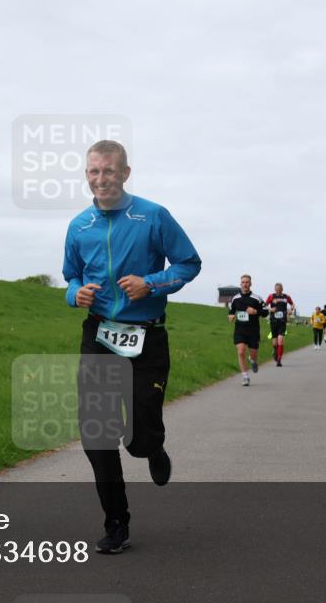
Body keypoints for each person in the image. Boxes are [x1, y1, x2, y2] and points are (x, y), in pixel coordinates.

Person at [63, 140, 201, 554]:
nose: (100, 179)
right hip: (100, 335)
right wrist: (76, 295)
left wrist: (152, 283)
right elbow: (70, 276)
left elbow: (189, 263)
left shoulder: (153, 216)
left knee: (137, 438)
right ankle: (116, 522)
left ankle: (152, 447)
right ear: (86, 175)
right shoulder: (79, 226)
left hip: (147, 338)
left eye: (108, 171)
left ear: (125, 173)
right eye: (93, 172)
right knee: (97, 433)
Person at [228, 274, 268, 385]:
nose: (245, 284)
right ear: (240, 284)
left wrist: (256, 312)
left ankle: (253, 361)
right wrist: (230, 316)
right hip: (240, 329)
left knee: (253, 353)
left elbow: (265, 312)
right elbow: (231, 311)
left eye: (247, 282)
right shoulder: (235, 298)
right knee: (241, 351)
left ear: (250, 284)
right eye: (243, 282)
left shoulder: (257, 298)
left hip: (253, 331)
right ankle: (245, 376)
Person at [265, 283, 295, 367]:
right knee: (275, 343)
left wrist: (291, 310)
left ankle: (279, 359)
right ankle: (275, 350)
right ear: (274, 289)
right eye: (276, 290)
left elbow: (292, 304)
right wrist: (271, 309)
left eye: (279, 290)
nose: (277, 291)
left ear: (282, 289)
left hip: (282, 321)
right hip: (273, 321)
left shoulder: (286, 297)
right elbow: (264, 305)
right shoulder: (271, 296)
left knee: (280, 340)